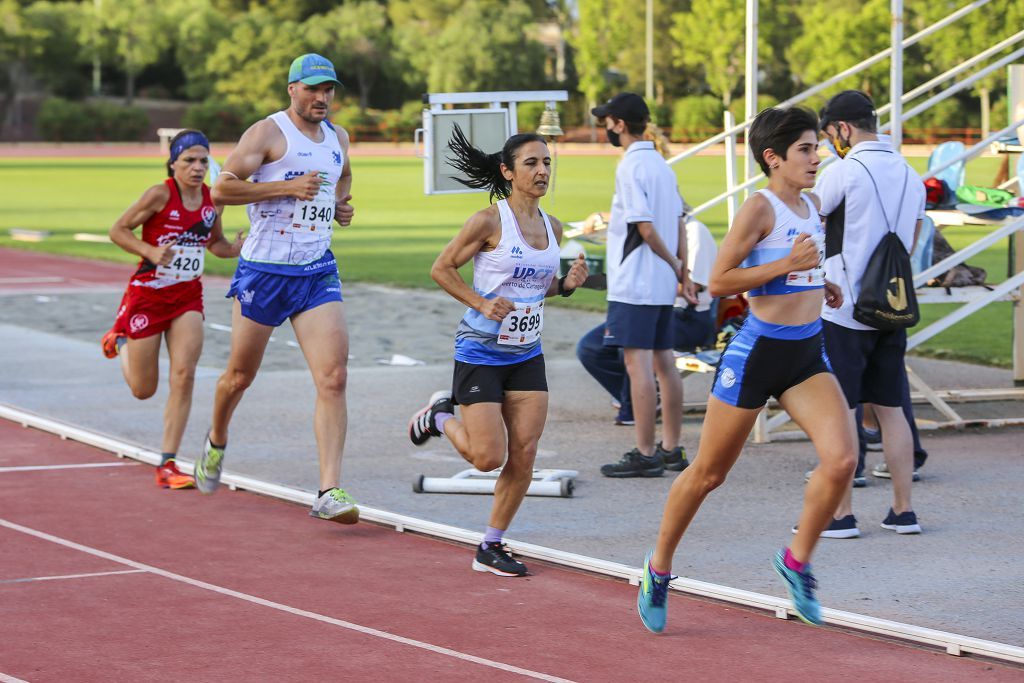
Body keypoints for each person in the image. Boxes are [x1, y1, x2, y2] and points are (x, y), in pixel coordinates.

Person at [637, 106, 857, 632]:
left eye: (816, 147)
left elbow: (796, 267)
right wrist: (788, 266)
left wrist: (816, 281)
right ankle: (658, 568)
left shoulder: (813, 204)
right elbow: (719, 281)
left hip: (806, 352)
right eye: (805, 149)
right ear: (772, 158)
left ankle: (796, 561)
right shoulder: (758, 208)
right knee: (709, 474)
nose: (816, 156)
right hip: (757, 354)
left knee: (843, 459)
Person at [407, 125, 588, 577]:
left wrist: (564, 285)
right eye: (532, 163)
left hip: (526, 352)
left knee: (524, 453)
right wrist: (481, 302)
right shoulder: (488, 221)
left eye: (547, 162)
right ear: (508, 172)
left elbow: (534, 283)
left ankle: (492, 544)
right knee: (488, 458)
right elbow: (441, 268)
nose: (543, 170)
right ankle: (439, 416)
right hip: (481, 351)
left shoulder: (554, 226)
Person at [192, 54, 358, 525]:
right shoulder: (267, 133)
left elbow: (341, 178)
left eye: (328, 89)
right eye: (312, 89)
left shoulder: (338, 138)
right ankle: (217, 438)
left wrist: (342, 206)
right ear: (292, 89)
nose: (322, 98)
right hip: (263, 271)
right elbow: (222, 190)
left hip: (316, 270)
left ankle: (328, 490)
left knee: (334, 378)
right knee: (239, 377)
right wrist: (284, 189)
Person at [101, 129, 243, 489]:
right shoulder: (160, 193)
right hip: (147, 296)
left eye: (202, 161)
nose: (197, 168)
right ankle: (120, 343)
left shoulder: (213, 201)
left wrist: (238, 248)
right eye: (189, 161)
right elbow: (117, 230)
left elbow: (216, 245)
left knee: (184, 374)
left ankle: (167, 464)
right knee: (143, 389)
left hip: (186, 298)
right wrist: (148, 251)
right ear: (174, 163)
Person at [814, 90, 925, 538]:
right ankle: (904, 511)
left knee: (840, 409)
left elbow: (811, 219)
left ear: (842, 128)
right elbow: (913, 236)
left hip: (844, 306)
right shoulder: (910, 171)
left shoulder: (844, 170)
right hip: (891, 304)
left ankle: (842, 514)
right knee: (892, 407)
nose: (828, 145)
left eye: (829, 135)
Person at [592, 93, 697, 479]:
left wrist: (672, 262)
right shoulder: (662, 166)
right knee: (665, 363)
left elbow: (645, 227)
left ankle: (645, 451)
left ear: (619, 124)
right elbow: (681, 222)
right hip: (660, 283)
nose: (606, 128)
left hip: (635, 281)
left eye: (607, 121)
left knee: (638, 366)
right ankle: (671, 448)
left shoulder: (631, 165)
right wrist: (681, 273)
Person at [576, 213, 717, 437]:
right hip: (652, 309)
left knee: (631, 343)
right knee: (590, 347)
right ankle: (638, 398)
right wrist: (599, 216)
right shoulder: (654, 228)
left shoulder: (694, 231)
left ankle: (635, 408)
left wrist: (642, 284)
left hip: (688, 317)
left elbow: (694, 286)